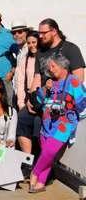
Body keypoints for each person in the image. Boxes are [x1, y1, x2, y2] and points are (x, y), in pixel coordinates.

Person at [29, 53, 86, 194]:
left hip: (64, 123)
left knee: (49, 151)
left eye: (53, 66)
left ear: (62, 65)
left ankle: (34, 173)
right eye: (49, 67)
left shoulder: (73, 81)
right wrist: (44, 89)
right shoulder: (50, 82)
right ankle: (41, 183)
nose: (50, 69)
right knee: (47, 155)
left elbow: (82, 101)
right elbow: (39, 100)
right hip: (46, 124)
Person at [31, 18, 85, 95]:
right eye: (39, 33)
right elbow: (37, 78)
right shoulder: (40, 52)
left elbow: (79, 79)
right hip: (43, 101)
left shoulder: (71, 48)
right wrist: (32, 98)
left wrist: (55, 86)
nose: (40, 36)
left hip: (65, 100)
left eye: (44, 33)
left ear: (54, 32)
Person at [16, 31, 41, 156]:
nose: (31, 45)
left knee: (38, 123)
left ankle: (40, 158)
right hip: (28, 98)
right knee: (21, 119)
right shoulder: (25, 59)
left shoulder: (45, 58)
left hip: (42, 99)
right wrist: (21, 102)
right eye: (29, 43)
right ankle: (28, 158)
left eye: (34, 42)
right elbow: (20, 81)